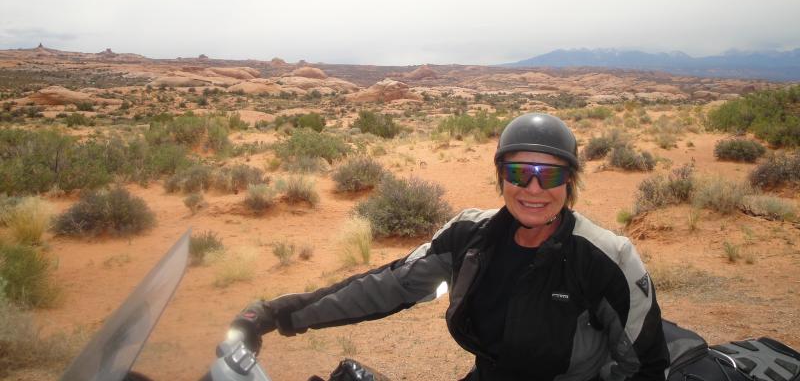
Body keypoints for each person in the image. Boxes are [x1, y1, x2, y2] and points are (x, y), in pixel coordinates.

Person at [231, 113, 670, 381]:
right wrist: (276, 314)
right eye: (519, 173)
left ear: (569, 182)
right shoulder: (469, 236)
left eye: (551, 175)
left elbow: (646, 366)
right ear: (501, 177)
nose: (534, 188)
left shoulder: (606, 258)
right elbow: (390, 285)